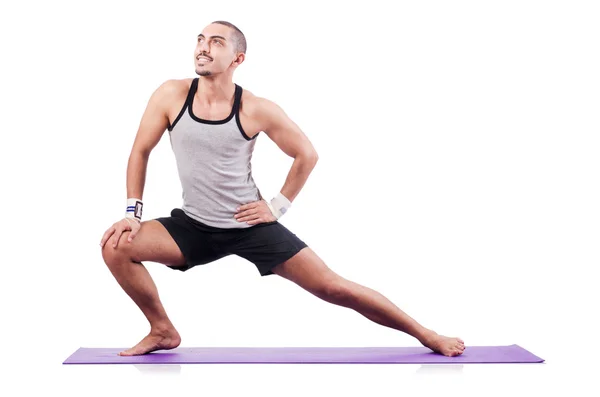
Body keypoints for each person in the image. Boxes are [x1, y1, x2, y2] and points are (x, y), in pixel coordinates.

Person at [99, 20, 465, 357]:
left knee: (334, 288)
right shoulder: (171, 95)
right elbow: (140, 151)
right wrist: (133, 214)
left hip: (249, 226)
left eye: (215, 42)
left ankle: (426, 334)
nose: (203, 47)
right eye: (199, 40)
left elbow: (306, 154)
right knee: (116, 246)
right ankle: (162, 329)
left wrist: (277, 206)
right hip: (193, 225)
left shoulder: (256, 108)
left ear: (237, 58)